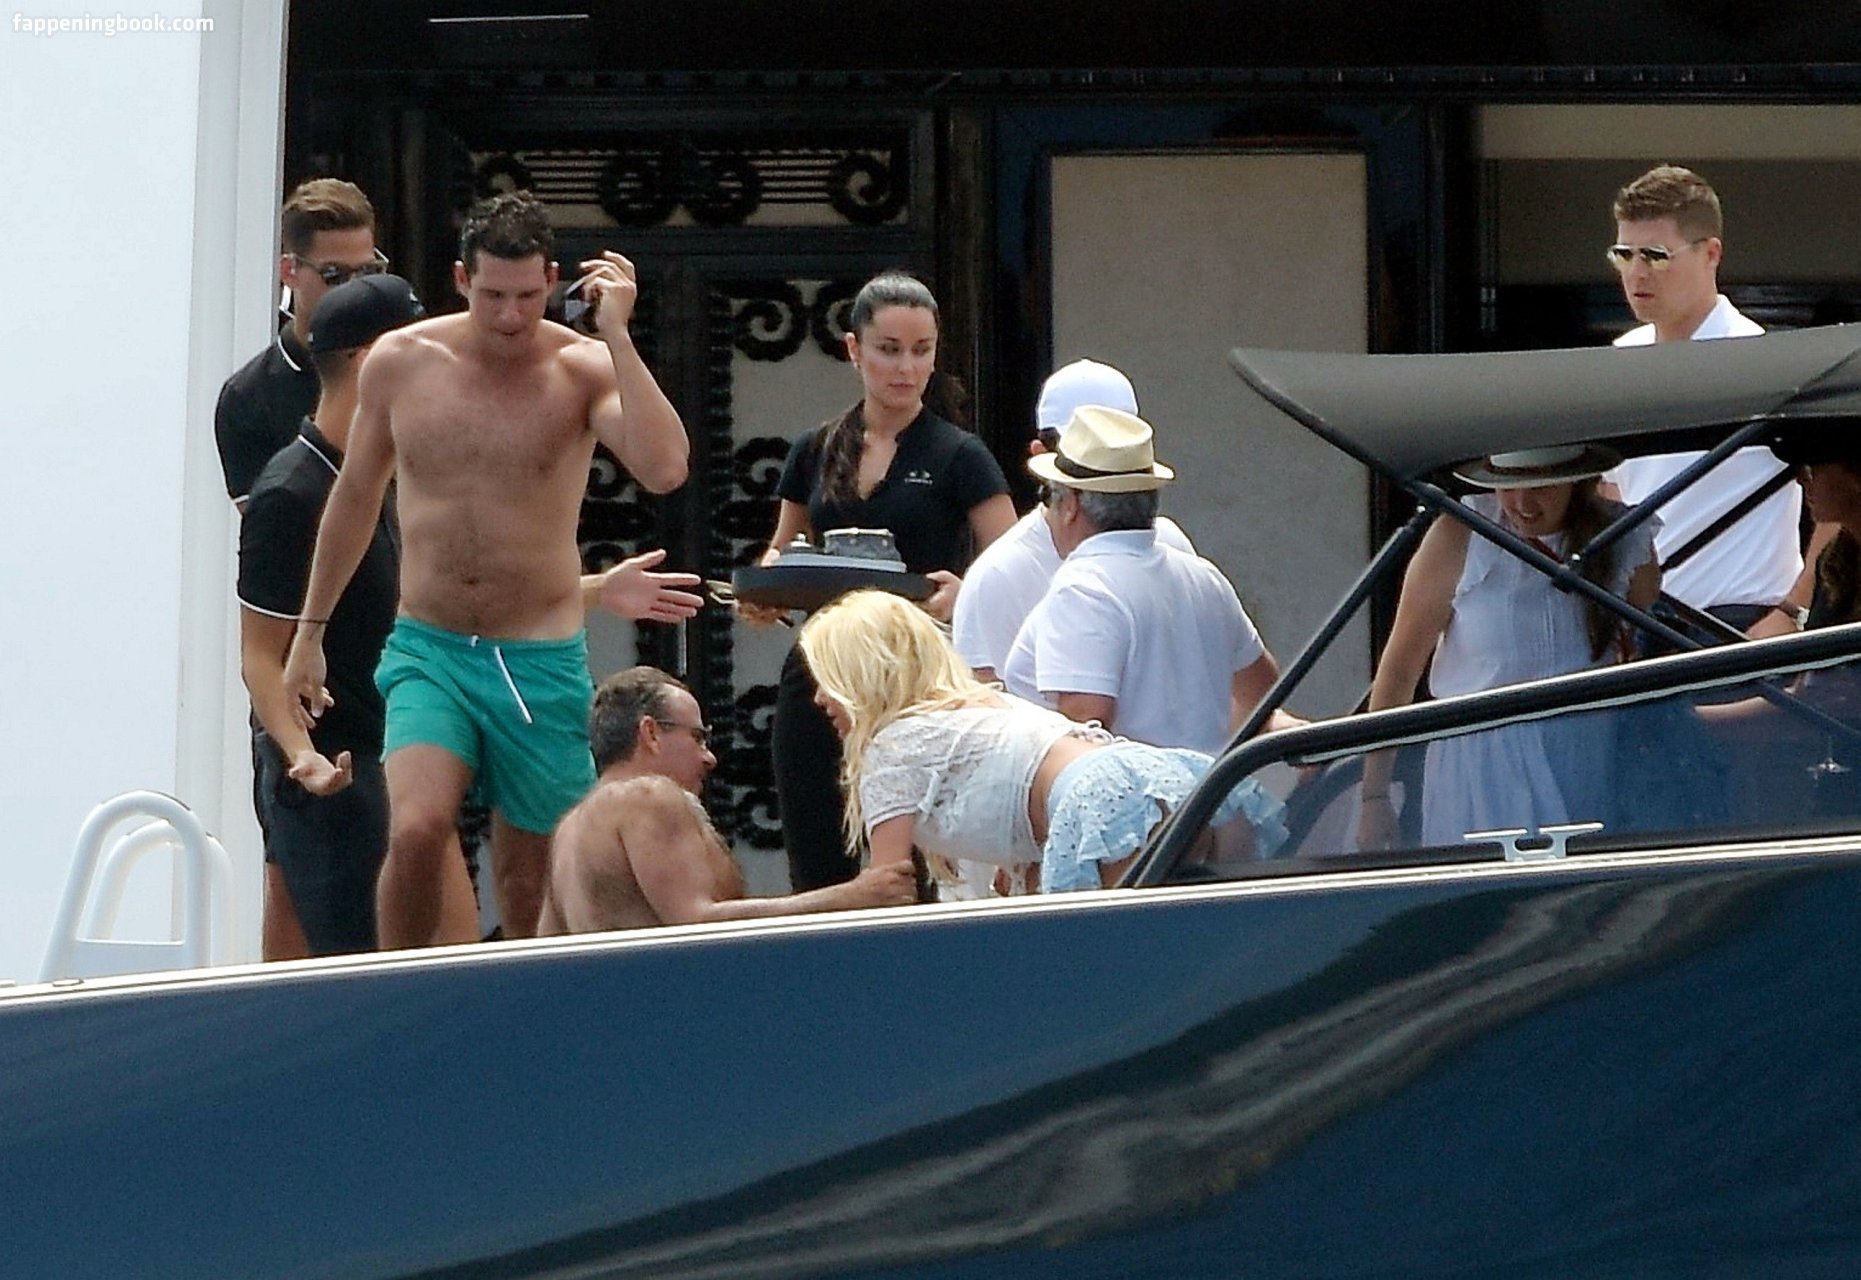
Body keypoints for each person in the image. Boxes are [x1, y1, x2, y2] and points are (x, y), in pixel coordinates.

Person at [283, 190, 697, 948]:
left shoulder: (580, 368)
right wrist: (310, 631)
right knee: (416, 827)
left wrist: (618, 336)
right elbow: (355, 497)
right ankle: (400, 989)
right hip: (431, 645)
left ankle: (530, 1002)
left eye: (528, 296)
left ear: (554, 282)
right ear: (461, 280)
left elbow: (665, 467)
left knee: (531, 875)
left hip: (537, 655)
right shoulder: (403, 362)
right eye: (493, 295)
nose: (510, 315)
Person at [746, 271, 1016, 893]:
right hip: (822, 673)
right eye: (889, 350)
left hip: (912, 677)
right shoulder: (815, 448)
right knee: (817, 855)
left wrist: (965, 593)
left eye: (921, 351)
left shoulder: (959, 454)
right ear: (854, 349)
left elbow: (1015, 566)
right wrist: (764, 589)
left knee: (911, 864)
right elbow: (782, 547)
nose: (906, 368)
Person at [799, 591, 1285, 894]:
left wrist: (781, 913)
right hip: (1177, 779)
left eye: (827, 680)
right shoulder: (981, 706)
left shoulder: (891, 748)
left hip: (1099, 803)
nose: (818, 699)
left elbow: (889, 889)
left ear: (863, 678)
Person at [237, 274, 434, 957]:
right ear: (369, 361)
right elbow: (259, 656)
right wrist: (304, 757)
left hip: (380, 757)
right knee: (351, 976)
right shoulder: (291, 492)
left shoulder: (376, 476)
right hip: (332, 768)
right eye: (413, 350)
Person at [1358, 445, 1662, 851]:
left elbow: (1643, 625)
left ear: (1575, 481)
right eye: (1508, 486)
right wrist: (1374, 796)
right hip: (1483, 765)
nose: (1522, 503)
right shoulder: (1461, 532)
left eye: (1541, 487)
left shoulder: (1621, 534)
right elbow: (1399, 669)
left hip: (1590, 754)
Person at [1000, 406, 1297, 755]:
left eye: (1049, 496)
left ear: (1071, 505)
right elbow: (1262, 688)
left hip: (1137, 790)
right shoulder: (1203, 577)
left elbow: (1084, 728)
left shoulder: (1084, 588)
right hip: (1211, 787)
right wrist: (1214, 757)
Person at [537, 667, 918, 933]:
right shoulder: (647, 795)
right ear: (650, 733)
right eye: (698, 737)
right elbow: (696, 924)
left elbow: (544, 947)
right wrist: (852, 897)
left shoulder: (568, 829)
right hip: (671, 1009)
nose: (710, 758)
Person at [1601, 164, 1814, 636]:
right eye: (1624, 255)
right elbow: (1610, 499)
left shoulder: (1765, 363)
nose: (1637, 272)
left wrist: (1791, 611)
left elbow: (1844, 503)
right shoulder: (1619, 360)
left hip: (1741, 620)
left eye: (1656, 256)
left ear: (1710, 254)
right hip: (1637, 625)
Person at [951, 358, 1195, 683]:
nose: (1105, 474)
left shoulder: (1172, 547)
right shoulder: (998, 577)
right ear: (1040, 456)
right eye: (1085, 458)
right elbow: (983, 701)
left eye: (1119, 453)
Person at [215, 178, 384, 511]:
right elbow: (273, 527)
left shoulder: (406, 364)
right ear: (289, 271)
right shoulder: (249, 398)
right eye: (334, 275)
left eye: (368, 271)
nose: (354, 290)